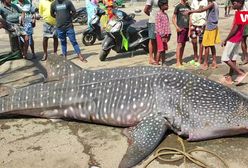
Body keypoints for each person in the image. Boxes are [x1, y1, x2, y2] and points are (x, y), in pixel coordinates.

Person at [185, 0, 221, 70]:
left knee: (206, 45)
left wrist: (191, 11)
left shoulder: (212, 4)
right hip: (213, 26)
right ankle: (214, 61)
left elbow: (201, 10)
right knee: (211, 45)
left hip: (210, 27)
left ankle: (205, 63)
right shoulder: (215, 4)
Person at [221, 0, 248, 85]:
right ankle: (230, 77)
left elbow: (235, 29)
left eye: (235, 3)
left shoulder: (239, 14)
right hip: (238, 38)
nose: (233, 4)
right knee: (233, 58)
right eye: (232, 2)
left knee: (225, 58)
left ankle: (240, 73)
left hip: (233, 38)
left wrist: (226, 39)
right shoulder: (244, 13)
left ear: (240, 3)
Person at [172, 0, 191, 67]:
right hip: (181, 28)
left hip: (187, 28)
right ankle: (177, 62)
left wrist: (190, 29)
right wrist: (176, 27)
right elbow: (173, 18)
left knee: (183, 44)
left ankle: (181, 60)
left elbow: (190, 18)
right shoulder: (178, 6)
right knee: (179, 45)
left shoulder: (188, 6)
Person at [189, 0, 208, 65]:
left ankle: (200, 58)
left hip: (202, 23)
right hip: (193, 23)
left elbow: (207, 12)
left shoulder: (205, 1)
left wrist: (206, 22)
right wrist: (190, 22)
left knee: (201, 42)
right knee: (194, 41)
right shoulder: (194, 1)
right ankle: (195, 56)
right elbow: (191, 13)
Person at [154, 0, 170, 65]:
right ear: (161, 6)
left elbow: (167, 25)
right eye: (166, 5)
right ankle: (157, 63)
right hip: (160, 35)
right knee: (160, 49)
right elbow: (159, 26)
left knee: (164, 50)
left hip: (165, 35)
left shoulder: (165, 14)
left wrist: (169, 34)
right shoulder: (159, 14)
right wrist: (162, 35)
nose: (167, 6)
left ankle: (163, 63)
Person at [144, 0, 159, 65]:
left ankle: (156, 57)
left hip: (160, 21)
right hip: (153, 21)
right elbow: (145, 10)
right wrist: (151, 15)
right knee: (152, 39)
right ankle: (151, 58)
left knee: (157, 40)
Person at [241, 0, 248, 65]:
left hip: (243, 16)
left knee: (243, 40)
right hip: (243, 16)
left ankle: (246, 57)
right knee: (243, 40)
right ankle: (246, 57)